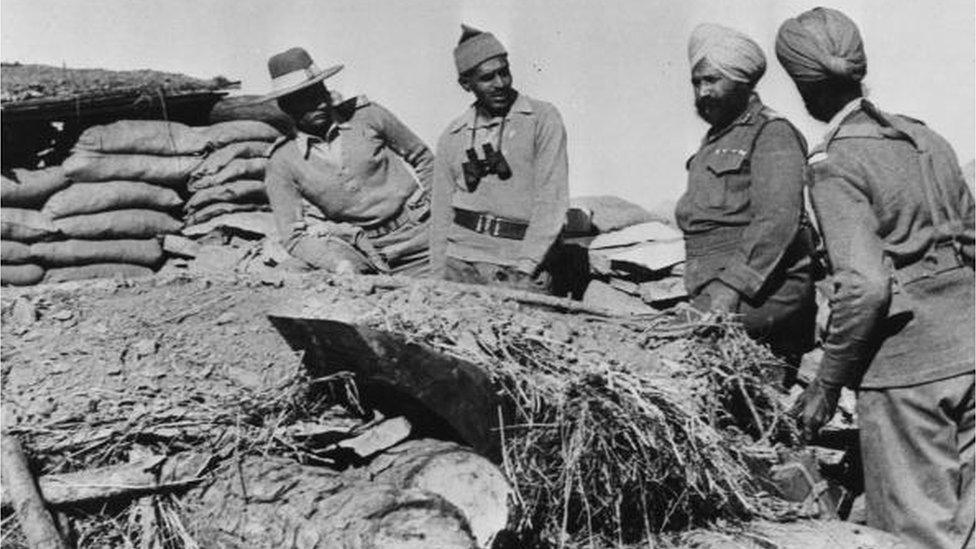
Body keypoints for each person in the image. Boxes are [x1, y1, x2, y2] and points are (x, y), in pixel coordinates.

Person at [777, 8, 975, 548]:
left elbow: (865, 286)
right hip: (971, 351)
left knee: (918, 536)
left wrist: (826, 384)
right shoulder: (926, 140)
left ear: (803, 87)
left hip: (908, 377)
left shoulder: (834, 162)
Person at [677, 23, 817, 371]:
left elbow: (777, 221)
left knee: (675, 346)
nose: (702, 93)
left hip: (764, 292)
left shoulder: (772, 132)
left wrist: (730, 288)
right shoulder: (714, 141)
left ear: (743, 82)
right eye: (697, 83)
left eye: (712, 80)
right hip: (717, 288)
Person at [259, 47, 433, 276]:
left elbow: (424, 159)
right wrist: (337, 264)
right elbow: (293, 236)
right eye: (306, 100)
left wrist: (438, 211)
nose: (320, 104)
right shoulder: (282, 161)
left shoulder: (367, 117)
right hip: (362, 251)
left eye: (320, 93)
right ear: (286, 107)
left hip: (420, 237)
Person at [430, 25, 569, 293]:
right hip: (460, 265)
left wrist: (526, 268)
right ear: (466, 84)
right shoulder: (453, 135)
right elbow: (441, 213)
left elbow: (552, 200)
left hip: (518, 266)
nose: (500, 84)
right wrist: (437, 278)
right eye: (487, 77)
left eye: (504, 72)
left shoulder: (541, 118)